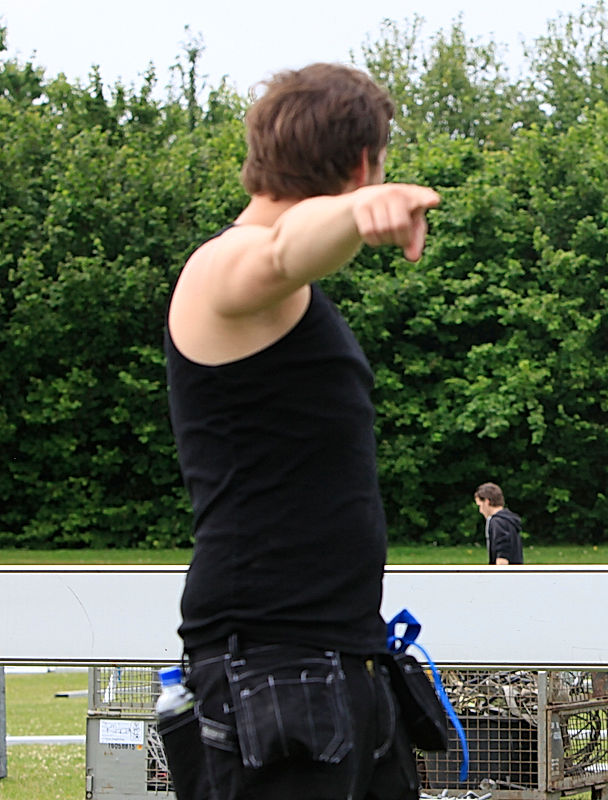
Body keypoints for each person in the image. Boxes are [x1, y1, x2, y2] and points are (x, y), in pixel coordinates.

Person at [163, 63, 440, 800]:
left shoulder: (280, 301)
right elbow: (284, 248)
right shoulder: (224, 269)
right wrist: (359, 212)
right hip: (271, 667)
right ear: (362, 163)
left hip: (338, 652)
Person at [474, 482, 524, 565]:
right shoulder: (509, 520)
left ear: (487, 502)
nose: (480, 510)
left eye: (480, 505)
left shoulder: (497, 522)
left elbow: (503, 552)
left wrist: (499, 574)